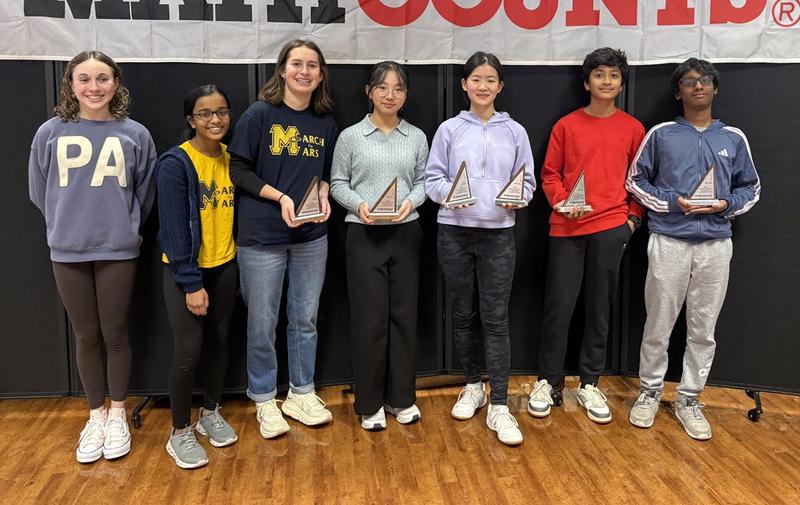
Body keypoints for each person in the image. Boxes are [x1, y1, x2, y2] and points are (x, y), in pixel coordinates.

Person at [28, 50, 156, 463]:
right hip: (67, 249)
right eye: (84, 79)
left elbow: (144, 193)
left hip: (118, 248)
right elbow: (40, 190)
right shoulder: (50, 132)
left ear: (116, 83)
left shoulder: (135, 133)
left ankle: (118, 412)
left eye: (102, 78)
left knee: (114, 333)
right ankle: (95, 414)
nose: (94, 87)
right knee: (85, 335)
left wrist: (122, 226)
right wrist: (67, 226)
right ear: (70, 84)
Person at [626, 58, 760, 440]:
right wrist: (673, 202)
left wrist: (725, 206)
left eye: (704, 81)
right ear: (677, 91)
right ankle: (649, 391)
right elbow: (635, 182)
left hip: (716, 245)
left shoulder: (733, 137)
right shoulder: (662, 134)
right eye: (689, 82)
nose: (697, 87)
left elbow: (751, 188)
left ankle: (689, 398)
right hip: (668, 240)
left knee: (704, 328)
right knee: (658, 323)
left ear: (715, 88)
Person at [227, 39, 338, 438]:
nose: (304, 71)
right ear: (283, 70)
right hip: (262, 237)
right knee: (262, 322)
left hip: (311, 236)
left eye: (312, 65)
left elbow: (325, 172)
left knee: (305, 319)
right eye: (296, 64)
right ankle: (264, 399)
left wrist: (324, 192)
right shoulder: (260, 114)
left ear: (320, 75)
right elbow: (237, 170)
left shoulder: (325, 121)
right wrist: (280, 197)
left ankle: (301, 392)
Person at [528, 48, 645, 424]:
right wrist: (562, 204)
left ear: (622, 83)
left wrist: (631, 220)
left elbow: (639, 181)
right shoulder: (566, 125)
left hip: (611, 228)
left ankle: (590, 382)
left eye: (613, 75)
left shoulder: (633, 128)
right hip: (567, 227)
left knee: (599, 308)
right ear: (586, 82)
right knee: (558, 307)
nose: (606, 81)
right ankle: (548, 380)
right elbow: (549, 174)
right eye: (599, 74)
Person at [425, 51, 535, 446]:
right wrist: (447, 197)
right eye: (476, 79)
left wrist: (516, 198)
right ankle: (473, 385)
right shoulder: (449, 130)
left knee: (496, 318)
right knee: (462, 314)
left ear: (500, 86)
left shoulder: (515, 131)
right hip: (454, 233)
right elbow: (432, 179)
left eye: (490, 80)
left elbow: (528, 183)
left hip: (498, 235)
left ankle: (500, 404)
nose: (483, 86)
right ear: (464, 85)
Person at [330, 61, 429, 431]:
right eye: (383, 87)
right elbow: (338, 182)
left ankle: (401, 398)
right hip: (364, 233)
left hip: (406, 233)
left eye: (399, 88)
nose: (391, 95)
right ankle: (370, 404)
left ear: (406, 95)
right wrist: (360, 206)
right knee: (370, 321)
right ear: (368, 92)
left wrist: (411, 203)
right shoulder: (351, 137)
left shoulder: (416, 136)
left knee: (404, 318)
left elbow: (423, 182)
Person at [157, 85, 239, 468]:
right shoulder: (176, 163)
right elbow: (173, 228)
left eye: (221, 111)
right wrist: (190, 283)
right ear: (191, 120)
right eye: (205, 113)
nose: (215, 119)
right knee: (189, 351)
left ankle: (210, 412)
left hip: (225, 263)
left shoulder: (230, 158)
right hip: (186, 269)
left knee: (220, 341)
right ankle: (179, 432)